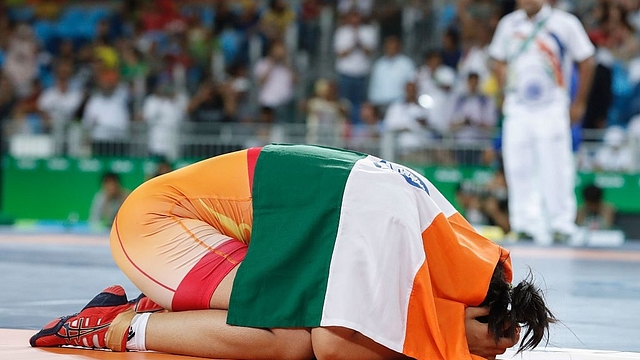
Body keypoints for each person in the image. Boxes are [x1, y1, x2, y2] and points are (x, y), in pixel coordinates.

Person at [31, 145, 555, 360]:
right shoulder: (399, 238)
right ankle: (110, 327)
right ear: (467, 306)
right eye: (486, 347)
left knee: (300, 315)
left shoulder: (432, 230)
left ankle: (153, 305)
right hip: (159, 226)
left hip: (198, 231)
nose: (481, 357)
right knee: (287, 338)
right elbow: (328, 344)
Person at [488, 0, 596, 244]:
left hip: (552, 105)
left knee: (555, 164)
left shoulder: (564, 23)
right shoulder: (508, 24)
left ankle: (561, 223)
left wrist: (579, 103)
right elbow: (497, 58)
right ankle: (525, 224)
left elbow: (587, 60)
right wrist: (503, 89)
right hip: (518, 104)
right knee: (518, 164)